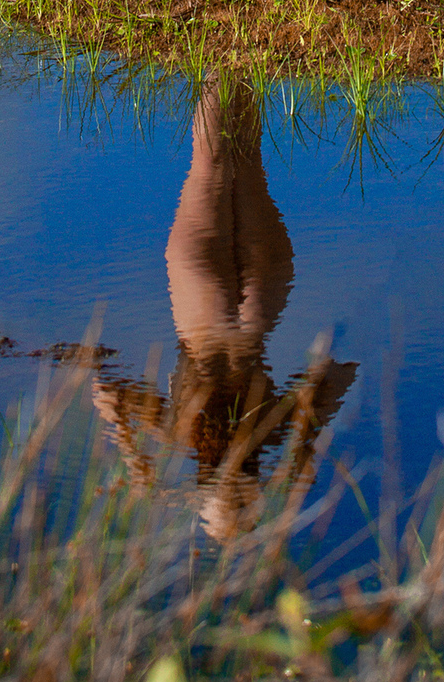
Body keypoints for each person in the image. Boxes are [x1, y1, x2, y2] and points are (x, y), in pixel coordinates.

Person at [89, 79, 357, 542]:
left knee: (240, 161)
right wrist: (135, 462)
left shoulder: (267, 429)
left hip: (261, 300)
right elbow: (104, 390)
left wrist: (302, 451)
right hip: (203, 306)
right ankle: (227, 37)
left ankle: (232, 37)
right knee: (215, 164)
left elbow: (338, 375)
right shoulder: (181, 432)